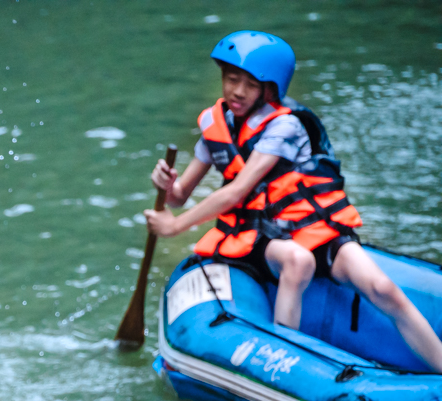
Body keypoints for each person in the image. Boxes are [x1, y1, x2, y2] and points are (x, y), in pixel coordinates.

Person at [144, 30, 442, 372]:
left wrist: (176, 226)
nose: (237, 91)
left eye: (250, 84)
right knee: (298, 262)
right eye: (231, 79)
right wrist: (167, 186)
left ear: (270, 90)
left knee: (384, 288)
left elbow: (237, 190)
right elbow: (181, 194)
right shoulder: (216, 125)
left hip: (315, 230)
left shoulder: (285, 127)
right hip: (261, 237)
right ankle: (287, 365)